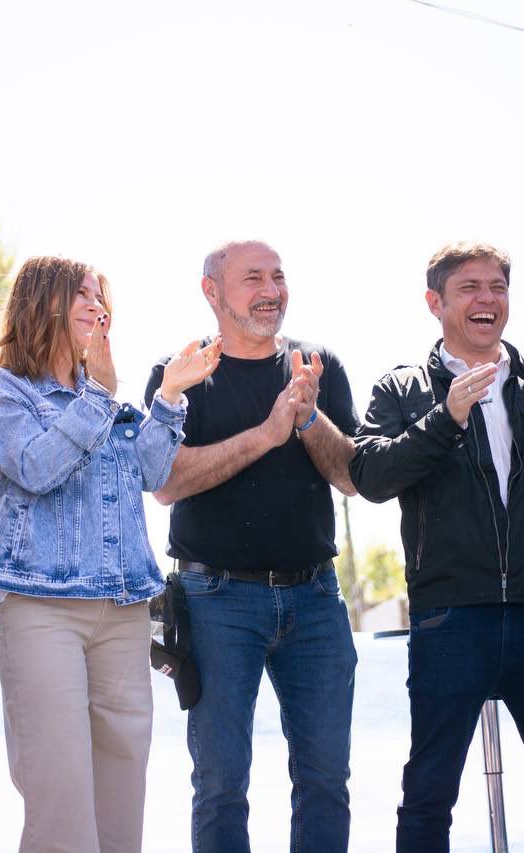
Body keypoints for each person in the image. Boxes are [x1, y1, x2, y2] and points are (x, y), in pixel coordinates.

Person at [351, 241, 524, 852]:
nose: (486, 299)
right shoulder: (403, 388)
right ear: (435, 301)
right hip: (449, 617)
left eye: (497, 286)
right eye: (469, 288)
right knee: (430, 795)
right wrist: (445, 417)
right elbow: (371, 477)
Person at [0, 255, 219, 853]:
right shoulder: (1, 390)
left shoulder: (104, 401)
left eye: (100, 295)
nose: (97, 304)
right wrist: (100, 397)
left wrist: (168, 397)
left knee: (121, 790)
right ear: (41, 303)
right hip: (38, 608)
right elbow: (36, 467)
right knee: (60, 794)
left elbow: (153, 472)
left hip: (124, 609)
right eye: (82, 293)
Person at [144, 240, 360, 853]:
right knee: (219, 785)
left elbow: (349, 478)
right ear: (211, 292)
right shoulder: (180, 372)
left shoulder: (318, 365)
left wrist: (311, 419)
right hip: (214, 599)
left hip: (316, 597)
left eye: (278, 276)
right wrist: (267, 435)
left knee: (324, 780)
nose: (271, 289)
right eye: (252, 278)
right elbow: (165, 482)